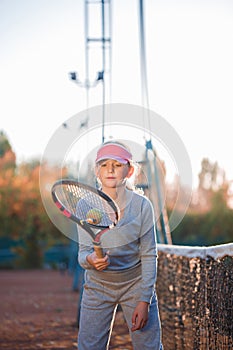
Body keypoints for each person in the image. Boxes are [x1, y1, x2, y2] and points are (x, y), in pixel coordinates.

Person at [77, 141, 163, 350]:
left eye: (117, 164)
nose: (110, 170)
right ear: (97, 171)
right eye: (104, 165)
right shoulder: (85, 205)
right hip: (97, 287)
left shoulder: (143, 206)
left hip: (136, 286)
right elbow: (83, 254)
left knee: (149, 347)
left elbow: (149, 255)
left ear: (129, 170)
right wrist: (91, 260)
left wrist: (145, 300)